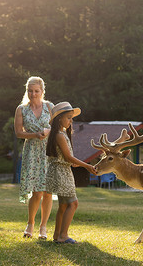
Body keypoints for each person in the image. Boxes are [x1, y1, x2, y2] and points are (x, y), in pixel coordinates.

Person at [45, 102, 97, 244]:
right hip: (61, 173)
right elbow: (68, 157)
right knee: (73, 204)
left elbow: (66, 158)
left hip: (61, 170)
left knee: (63, 205)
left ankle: (57, 235)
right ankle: (63, 236)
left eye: (71, 118)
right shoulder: (60, 135)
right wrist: (86, 165)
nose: (71, 120)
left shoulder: (60, 134)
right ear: (59, 119)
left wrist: (73, 162)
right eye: (68, 117)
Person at [14, 76, 54, 239]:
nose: (33, 94)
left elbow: (60, 128)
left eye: (36, 91)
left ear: (42, 91)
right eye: (30, 91)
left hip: (48, 151)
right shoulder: (21, 109)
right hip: (31, 150)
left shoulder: (50, 107)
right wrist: (35, 135)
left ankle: (43, 227)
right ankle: (30, 224)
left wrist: (48, 132)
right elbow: (18, 133)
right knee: (37, 192)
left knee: (48, 191)